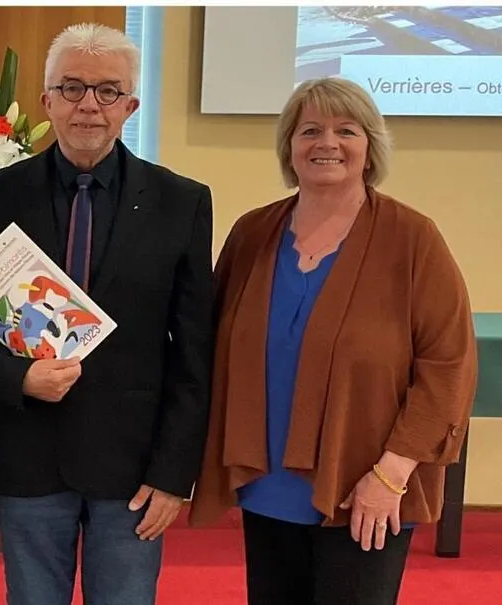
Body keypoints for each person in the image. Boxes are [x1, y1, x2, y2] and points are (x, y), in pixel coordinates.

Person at [189, 77, 478, 605]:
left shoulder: (412, 239)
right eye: (310, 131)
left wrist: (390, 476)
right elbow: (208, 341)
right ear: (289, 147)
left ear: (370, 147)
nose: (327, 143)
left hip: (366, 488)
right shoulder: (252, 233)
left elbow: (449, 366)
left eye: (346, 130)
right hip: (268, 487)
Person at [0, 23, 216, 605]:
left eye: (108, 91)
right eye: (72, 88)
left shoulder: (182, 202)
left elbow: (195, 352)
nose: (89, 105)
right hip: (28, 458)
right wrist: (19, 377)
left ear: (130, 106)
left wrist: (174, 474)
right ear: (47, 101)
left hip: (134, 469)